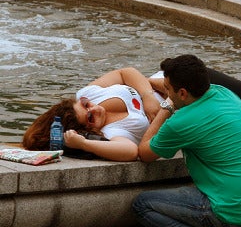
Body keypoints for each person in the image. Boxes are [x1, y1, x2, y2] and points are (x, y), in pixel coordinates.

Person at [133, 54, 241, 227]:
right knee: (236, 184)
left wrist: (166, 107)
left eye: (168, 89)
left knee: (142, 205)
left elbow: (144, 152)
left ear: (183, 93)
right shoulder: (224, 93)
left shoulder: (181, 123)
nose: (166, 92)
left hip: (237, 219)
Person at [22, 67, 163, 161]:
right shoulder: (110, 133)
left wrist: (147, 95)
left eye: (85, 104)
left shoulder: (87, 94)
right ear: (85, 130)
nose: (94, 108)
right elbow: (131, 151)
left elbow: (125, 73)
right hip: (178, 104)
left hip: (163, 79)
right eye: (90, 118)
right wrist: (84, 144)